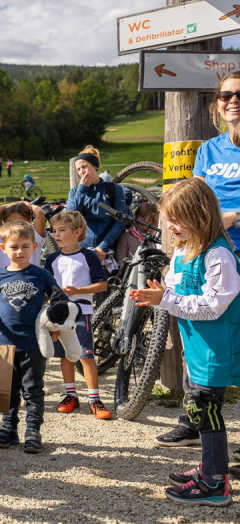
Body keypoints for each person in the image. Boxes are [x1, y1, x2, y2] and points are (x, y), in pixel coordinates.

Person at [130, 179, 240, 506]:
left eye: (175, 221)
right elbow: (175, 289)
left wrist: (165, 299)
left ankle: (215, 484)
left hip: (215, 348)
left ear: (198, 215)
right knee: (198, 406)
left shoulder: (219, 256)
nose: (169, 227)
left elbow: (211, 305)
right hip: (195, 347)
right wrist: (161, 293)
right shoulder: (183, 249)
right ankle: (210, 467)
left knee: (204, 409)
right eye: (167, 220)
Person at [157, 71, 240, 462]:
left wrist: (233, 217)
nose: (231, 100)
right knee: (198, 340)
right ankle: (195, 420)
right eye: (225, 94)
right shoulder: (210, 149)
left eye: (239, 94)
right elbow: (195, 195)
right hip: (205, 251)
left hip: (231, 254)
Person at [0, 221, 63, 454]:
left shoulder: (41, 274)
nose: (20, 251)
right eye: (14, 247)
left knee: (33, 389)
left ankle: (33, 432)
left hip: (34, 343)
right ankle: (9, 430)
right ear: (3, 249)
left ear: (35, 247)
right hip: (6, 344)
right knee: (8, 390)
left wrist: (55, 324)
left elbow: (59, 299)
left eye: (25, 246)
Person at [44, 211, 111, 420]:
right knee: (65, 355)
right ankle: (70, 395)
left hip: (82, 313)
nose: (56, 234)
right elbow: (47, 287)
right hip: (59, 315)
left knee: (85, 356)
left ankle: (94, 399)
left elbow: (102, 284)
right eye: (54, 230)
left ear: (77, 232)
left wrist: (77, 292)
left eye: (62, 230)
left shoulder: (88, 256)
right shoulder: (52, 258)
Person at [65, 145, 127, 274]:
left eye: (85, 166)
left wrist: (104, 245)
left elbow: (121, 221)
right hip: (81, 249)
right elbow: (69, 216)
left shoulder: (114, 189)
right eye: (78, 169)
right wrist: (82, 190)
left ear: (95, 167)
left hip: (107, 250)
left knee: (105, 290)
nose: (82, 171)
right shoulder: (75, 191)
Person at [0, 201, 46, 278]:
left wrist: (28, 205)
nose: (16, 225)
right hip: (0, 283)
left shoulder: (34, 236)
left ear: (29, 221)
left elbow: (39, 213)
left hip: (28, 284)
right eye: (10, 222)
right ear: (4, 222)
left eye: (21, 222)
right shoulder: (1, 234)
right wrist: (16, 203)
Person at [115, 202, 159, 266]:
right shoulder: (126, 238)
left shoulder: (152, 240)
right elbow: (120, 262)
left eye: (156, 222)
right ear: (140, 219)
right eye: (152, 221)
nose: (155, 225)